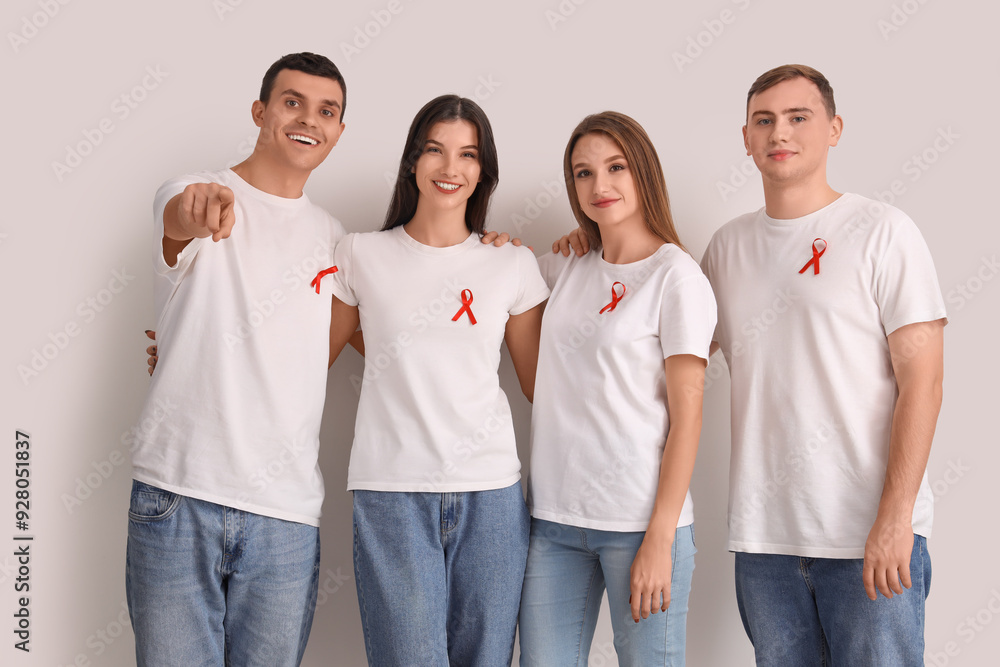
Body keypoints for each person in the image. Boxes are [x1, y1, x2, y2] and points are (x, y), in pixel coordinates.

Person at [127, 52, 349, 666]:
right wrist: (199, 209)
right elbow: (182, 217)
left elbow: (416, 310)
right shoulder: (194, 192)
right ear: (260, 111)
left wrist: (489, 250)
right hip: (179, 496)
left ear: (338, 130)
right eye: (291, 101)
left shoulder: (337, 241)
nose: (308, 119)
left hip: (286, 514)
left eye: (326, 110)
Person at [320, 95, 549, 666]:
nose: (451, 168)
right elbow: (304, 357)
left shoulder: (511, 265)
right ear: (412, 162)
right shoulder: (359, 255)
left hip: (492, 496)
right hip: (393, 492)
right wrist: (191, 347)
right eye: (436, 151)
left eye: (468, 155)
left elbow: (542, 384)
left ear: (483, 170)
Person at [517, 112, 716, 666]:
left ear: (643, 172)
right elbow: (501, 298)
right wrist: (495, 243)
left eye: (615, 167)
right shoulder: (562, 265)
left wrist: (660, 536)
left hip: (640, 526)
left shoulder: (677, 278)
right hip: (553, 523)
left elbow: (689, 416)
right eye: (583, 173)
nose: (599, 186)